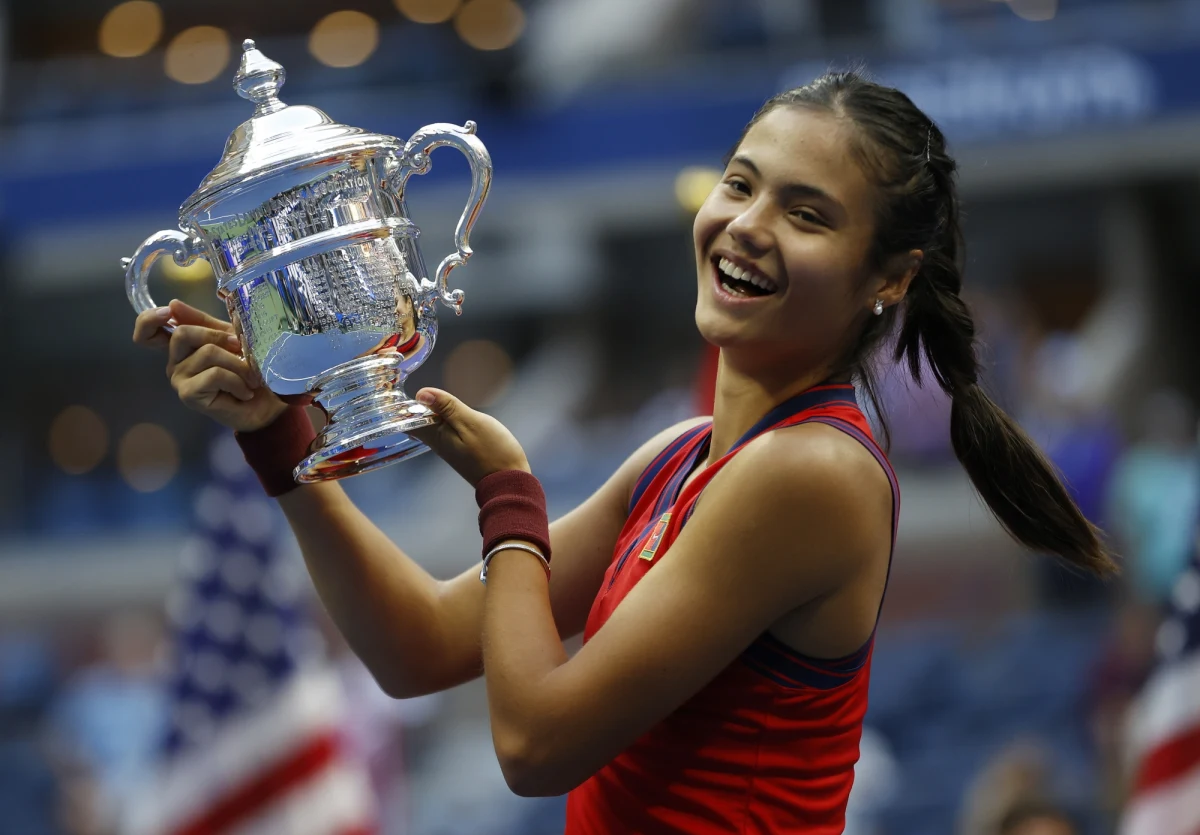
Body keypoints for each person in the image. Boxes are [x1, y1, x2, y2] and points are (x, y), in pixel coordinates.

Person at [134, 72, 1116, 833]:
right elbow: (418, 647)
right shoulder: (681, 456)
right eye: (741, 184)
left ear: (888, 279)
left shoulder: (811, 472)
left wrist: (507, 493)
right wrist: (279, 437)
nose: (747, 226)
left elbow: (535, 744)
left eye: (807, 213)